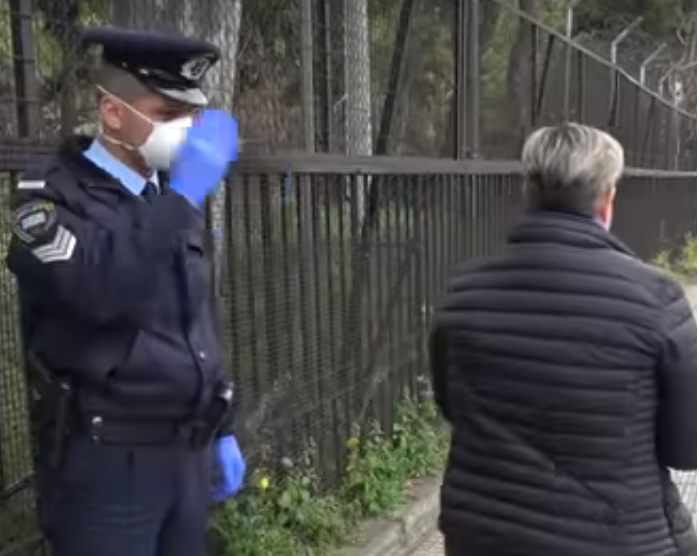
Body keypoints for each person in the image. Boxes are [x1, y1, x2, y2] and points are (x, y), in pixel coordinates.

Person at [5, 26, 243, 556]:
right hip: (106, 467)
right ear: (112, 112)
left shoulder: (169, 196)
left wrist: (223, 423)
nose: (185, 131)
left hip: (186, 454)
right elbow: (96, 293)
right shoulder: (48, 199)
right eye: (167, 115)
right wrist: (180, 200)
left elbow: (198, 313)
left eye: (191, 116)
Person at [430, 123, 697, 556]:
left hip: (482, 535)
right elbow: (686, 448)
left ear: (528, 193)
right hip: (619, 539)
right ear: (607, 199)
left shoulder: (463, 293)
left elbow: (452, 405)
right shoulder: (659, 300)